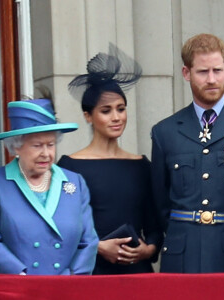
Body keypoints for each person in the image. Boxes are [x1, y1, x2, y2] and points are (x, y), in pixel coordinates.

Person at [151, 33, 224, 273]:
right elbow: (160, 204)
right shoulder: (165, 131)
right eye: (203, 72)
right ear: (186, 73)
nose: (212, 79)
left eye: (217, 70)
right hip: (184, 257)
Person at [58, 44, 163, 274]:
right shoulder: (69, 167)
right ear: (88, 116)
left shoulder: (142, 166)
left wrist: (148, 250)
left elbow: (155, 227)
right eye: (106, 111)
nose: (116, 117)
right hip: (91, 274)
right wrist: (98, 246)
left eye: (121, 108)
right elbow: (61, 227)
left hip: (138, 275)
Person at [0, 96, 99, 275]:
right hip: (17, 289)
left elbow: (88, 242)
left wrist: (71, 278)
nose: (46, 154)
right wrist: (24, 278)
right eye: (37, 146)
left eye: (51, 145)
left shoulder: (74, 182)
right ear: (17, 146)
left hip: (66, 290)